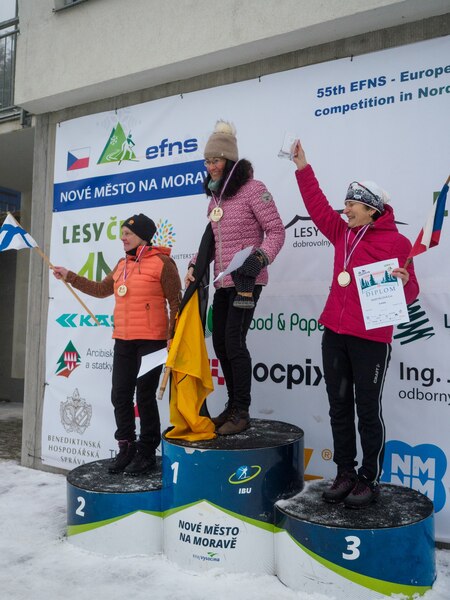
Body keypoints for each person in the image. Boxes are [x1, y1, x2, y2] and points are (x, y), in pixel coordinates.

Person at [291, 140, 419, 508]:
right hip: (334, 334)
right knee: (339, 407)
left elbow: (411, 293)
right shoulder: (341, 232)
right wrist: (303, 168)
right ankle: (344, 472)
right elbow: (316, 206)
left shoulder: (398, 242)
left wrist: (404, 283)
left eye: (351, 204)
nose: (344, 209)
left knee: (367, 409)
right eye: (345, 203)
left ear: (371, 209)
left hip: (371, 340)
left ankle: (368, 477)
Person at [53, 213, 181, 475]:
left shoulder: (163, 263)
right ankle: (126, 447)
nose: (122, 238)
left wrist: (173, 335)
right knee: (120, 395)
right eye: (122, 233)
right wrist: (69, 276)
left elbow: (175, 302)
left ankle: (147, 452)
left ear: (143, 236)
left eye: (128, 233)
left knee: (144, 397)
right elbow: (101, 290)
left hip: (152, 341)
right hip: (123, 339)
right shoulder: (122, 264)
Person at [185, 120, 285, 435]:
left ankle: (242, 411)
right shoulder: (216, 199)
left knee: (234, 342)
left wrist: (260, 258)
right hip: (223, 282)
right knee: (221, 345)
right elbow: (214, 241)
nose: (210, 166)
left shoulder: (253, 189)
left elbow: (276, 231)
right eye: (207, 161)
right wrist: (194, 264)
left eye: (215, 160)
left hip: (246, 280)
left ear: (229, 160)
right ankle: (231, 406)